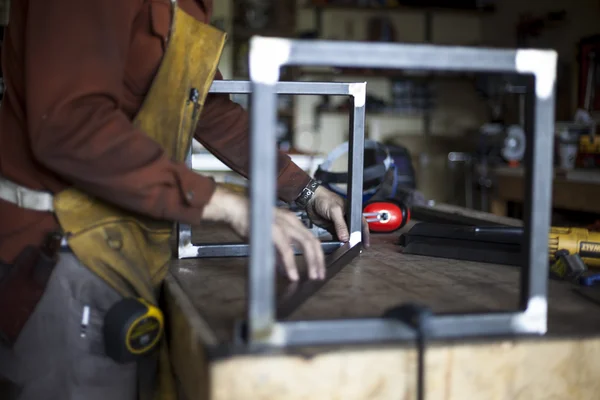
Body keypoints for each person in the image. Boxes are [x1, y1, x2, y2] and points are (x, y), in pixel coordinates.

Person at [0, 0, 369, 399]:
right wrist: (226, 203)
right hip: (58, 251)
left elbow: (206, 108)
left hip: (129, 244)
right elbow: (71, 124)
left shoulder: (191, 4)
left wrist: (306, 190)